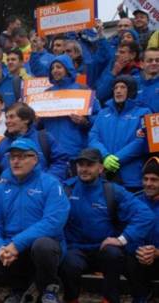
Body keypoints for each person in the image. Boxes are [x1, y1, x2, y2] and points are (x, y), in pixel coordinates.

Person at [0, 138, 70, 303]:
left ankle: (49, 288)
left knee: (43, 246)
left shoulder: (50, 184)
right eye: (13, 157)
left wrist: (17, 243)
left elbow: (54, 221)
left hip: (41, 247)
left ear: (35, 159)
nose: (16, 161)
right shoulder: (0, 188)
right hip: (12, 250)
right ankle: (18, 290)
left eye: (22, 156)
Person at [60, 148, 154, 303]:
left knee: (114, 254)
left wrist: (122, 239)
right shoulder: (65, 189)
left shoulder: (113, 191)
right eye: (80, 164)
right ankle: (71, 299)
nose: (84, 169)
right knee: (68, 261)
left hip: (103, 248)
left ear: (101, 168)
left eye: (89, 165)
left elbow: (145, 215)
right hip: (75, 249)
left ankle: (110, 299)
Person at [0, 102, 69, 202]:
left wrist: (48, 183)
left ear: (26, 120)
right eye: (7, 117)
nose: (7, 121)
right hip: (10, 201)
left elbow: (61, 161)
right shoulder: (2, 144)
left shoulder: (44, 138)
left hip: (40, 199)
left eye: (12, 117)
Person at [89, 76, 151, 192]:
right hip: (104, 176)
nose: (118, 91)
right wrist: (105, 156)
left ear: (131, 90)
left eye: (123, 87)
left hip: (131, 177)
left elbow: (141, 141)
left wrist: (117, 159)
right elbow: (93, 138)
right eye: (116, 88)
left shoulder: (144, 112)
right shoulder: (103, 113)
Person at [40, 54, 100, 161]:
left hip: (75, 150)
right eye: (52, 68)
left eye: (59, 67)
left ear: (67, 68)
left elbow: (98, 118)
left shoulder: (83, 90)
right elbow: (39, 125)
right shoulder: (46, 94)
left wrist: (85, 121)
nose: (55, 70)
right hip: (51, 151)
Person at [125, 157, 159, 302]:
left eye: (154, 179)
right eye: (145, 179)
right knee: (124, 256)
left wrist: (157, 252)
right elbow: (125, 232)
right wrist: (139, 250)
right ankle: (140, 296)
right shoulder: (134, 201)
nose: (148, 184)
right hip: (141, 257)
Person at [136, 47, 159, 112]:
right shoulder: (132, 83)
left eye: (157, 60)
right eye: (150, 60)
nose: (154, 63)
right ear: (141, 64)